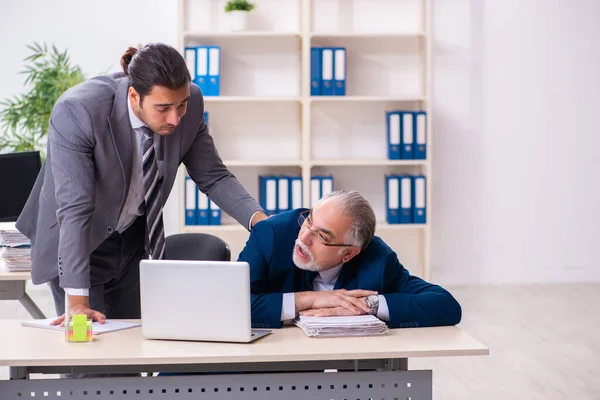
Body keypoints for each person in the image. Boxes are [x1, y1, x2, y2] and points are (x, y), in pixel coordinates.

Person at [16, 43, 267, 326]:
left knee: (132, 348)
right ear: (134, 96)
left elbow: (214, 176)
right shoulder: (79, 111)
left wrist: (262, 223)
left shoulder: (191, 102)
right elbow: (75, 208)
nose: (175, 118)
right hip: (80, 239)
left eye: (181, 105)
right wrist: (76, 303)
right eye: (163, 108)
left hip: (133, 241)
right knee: (89, 354)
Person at [238, 190, 461, 329]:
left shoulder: (377, 259)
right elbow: (231, 305)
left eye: (322, 236)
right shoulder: (271, 235)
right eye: (309, 221)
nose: (304, 237)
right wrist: (309, 300)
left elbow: (446, 305)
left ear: (349, 253)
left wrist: (368, 305)